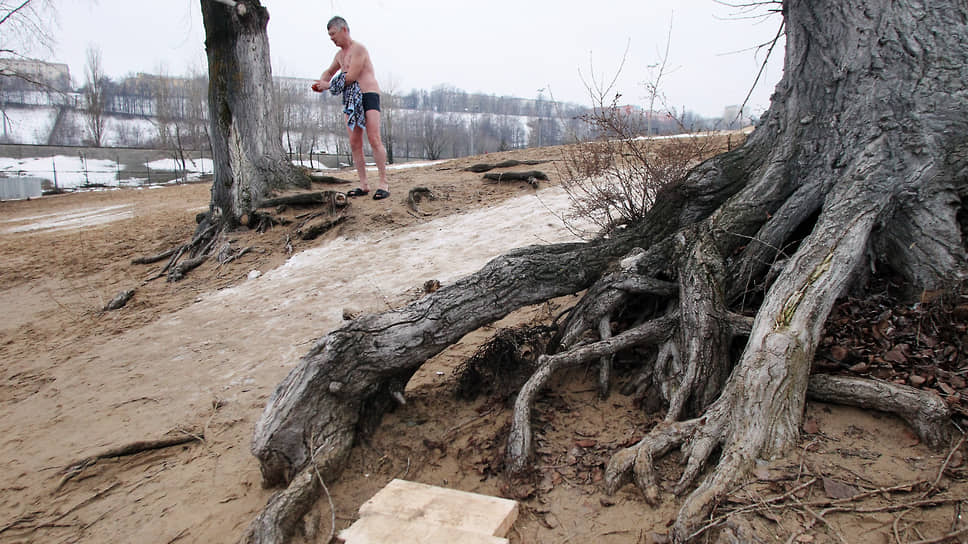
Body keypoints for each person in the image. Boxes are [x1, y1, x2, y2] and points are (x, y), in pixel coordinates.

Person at [312, 16, 390, 200]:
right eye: (329, 35)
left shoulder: (359, 49)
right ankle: (363, 184)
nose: (331, 38)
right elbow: (330, 72)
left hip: (368, 94)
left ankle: (383, 182)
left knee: (374, 137)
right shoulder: (339, 55)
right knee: (355, 142)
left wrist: (328, 86)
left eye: (333, 33)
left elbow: (352, 76)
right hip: (350, 100)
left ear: (344, 30)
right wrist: (322, 81)